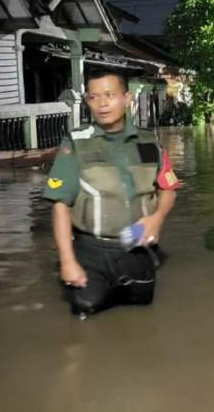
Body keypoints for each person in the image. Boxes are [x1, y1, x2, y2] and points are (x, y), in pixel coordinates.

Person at [44, 68, 179, 317]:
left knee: (142, 315)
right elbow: (61, 204)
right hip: (91, 251)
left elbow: (168, 189)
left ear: (127, 98)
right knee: (86, 308)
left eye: (110, 95)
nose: (103, 104)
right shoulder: (76, 143)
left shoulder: (149, 142)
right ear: (87, 101)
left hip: (137, 249)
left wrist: (157, 219)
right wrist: (67, 261)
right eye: (94, 97)